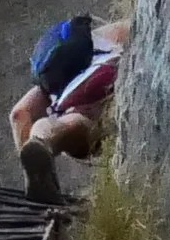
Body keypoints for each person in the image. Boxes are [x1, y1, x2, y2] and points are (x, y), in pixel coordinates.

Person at [11, 12, 122, 200]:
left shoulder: (53, 76)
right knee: (84, 123)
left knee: (67, 121)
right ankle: (41, 151)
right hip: (102, 73)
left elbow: (19, 114)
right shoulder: (109, 34)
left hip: (69, 92)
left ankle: (39, 141)